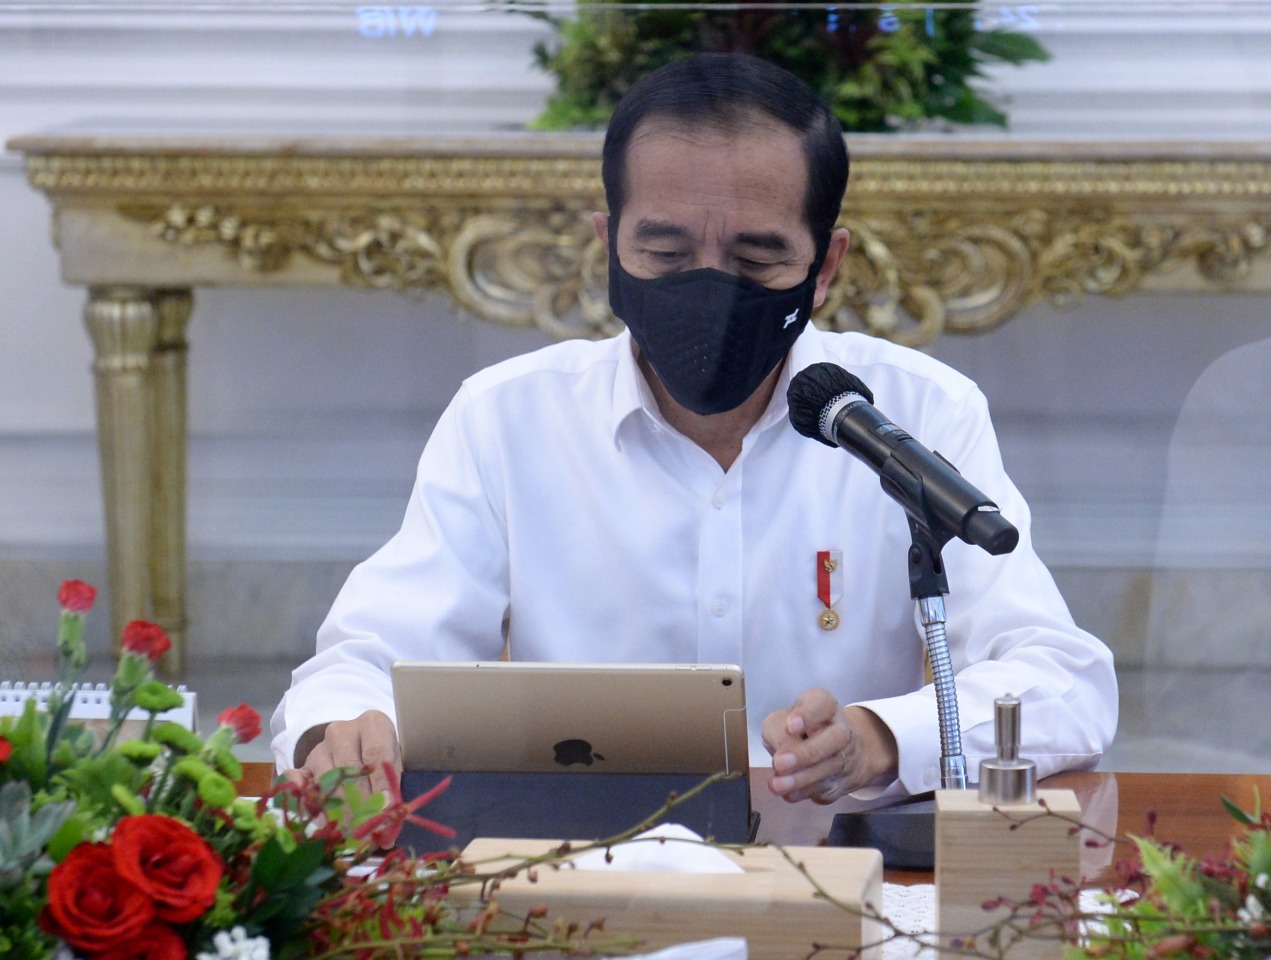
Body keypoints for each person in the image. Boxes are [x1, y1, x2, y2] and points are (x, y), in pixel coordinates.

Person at [270, 53, 1117, 807]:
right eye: (666, 256)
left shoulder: (918, 414)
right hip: (569, 879)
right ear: (608, 245)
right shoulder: (507, 420)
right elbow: (367, 658)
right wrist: (345, 728)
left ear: (825, 267)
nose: (708, 291)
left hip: (849, 891)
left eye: (756, 262)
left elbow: (1059, 680)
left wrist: (882, 738)